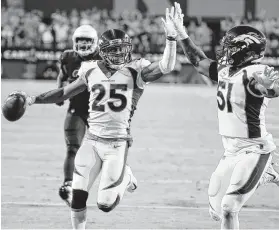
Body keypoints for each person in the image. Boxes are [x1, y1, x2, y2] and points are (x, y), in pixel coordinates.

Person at [15, 8, 177, 229]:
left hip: (117, 143)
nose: (120, 54)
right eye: (114, 50)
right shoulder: (90, 70)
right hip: (91, 141)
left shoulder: (135, 70)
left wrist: (171, 38)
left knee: (105, 204)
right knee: (77, 197)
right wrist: (33, 99)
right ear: (103, 51)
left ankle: (126, 176)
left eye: (122, 49)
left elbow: (166, 66)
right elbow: (64, 92)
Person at [169, 2, 278, 229]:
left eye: (230, 46)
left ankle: (265, 170)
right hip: (230, 152)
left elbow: (271, 89)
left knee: (229, 207)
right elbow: (198, 61)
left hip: (254, 149)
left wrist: (270, 88)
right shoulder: (225, 70)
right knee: (217, 211)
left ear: (245, 50)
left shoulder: (256, 72)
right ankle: (266, 174)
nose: (224, 50)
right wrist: (181, 33)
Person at [56, 25, 101, 207]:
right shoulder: (68, 58)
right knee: (72, 147)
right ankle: (68, 185)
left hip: (99, 110)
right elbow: (62, 75)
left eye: (87, 41)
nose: (83, 44)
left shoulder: (103, 58)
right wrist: (60, 93)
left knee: (106, 150)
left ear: (95, 42)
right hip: (77, 107)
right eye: (80, 40)